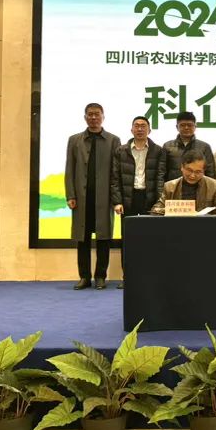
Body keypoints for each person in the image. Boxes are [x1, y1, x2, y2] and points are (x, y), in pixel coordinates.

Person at [65, 103, 121, 290]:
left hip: (104, 198)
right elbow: (69, 169)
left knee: (104, 239)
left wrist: (116, 199)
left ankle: (100, 277)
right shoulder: (75, 140)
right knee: (82, 239)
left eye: (97, 114)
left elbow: (116, 172)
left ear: (103, 117)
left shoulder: (113, 140)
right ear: (85, 117)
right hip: (81, 198)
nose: (94, 117)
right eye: (90, 114)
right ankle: (84, 277)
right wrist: (70, 194)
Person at [111, 116, 165, 290]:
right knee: (128, 240)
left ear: (149, 130)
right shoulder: (121, 151)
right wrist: (117, 201)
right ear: (131, 129)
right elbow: (115, 178)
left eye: (143, 126)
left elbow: (160, 177)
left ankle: (150, 276)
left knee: (151, 240)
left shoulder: (158, 150)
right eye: (137, 126)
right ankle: (127, 276)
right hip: (128, 199)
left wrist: (160, 202)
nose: (140, 129)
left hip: (150, 199)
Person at [151, 149, 216, 215]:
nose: (192, 175)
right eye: (189, 170)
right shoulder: (170, 187)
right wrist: (173, 210)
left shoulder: (214, 186)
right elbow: (155, 211)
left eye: (198, 172)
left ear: (203, 171)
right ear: (182, 167)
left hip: (203, 224)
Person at [161, 111, 216, 183]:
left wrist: (210, 188)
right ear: (177, 127)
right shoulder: (167, 146)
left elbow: (210, 173)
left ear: (195, 126)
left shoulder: (205, 147)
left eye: (189, 125)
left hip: (198, 187)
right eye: (182, 125)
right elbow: (161, 172)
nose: (186, 128)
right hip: (174, 187)